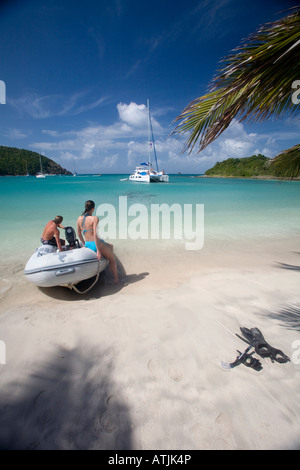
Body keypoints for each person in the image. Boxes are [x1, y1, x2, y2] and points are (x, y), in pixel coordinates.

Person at [77, 200, 119, 284]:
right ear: (93, 209)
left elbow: (79, 233)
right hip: (97, 244)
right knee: (112, 259)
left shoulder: (79, 218)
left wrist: (84, 244)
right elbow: (95, 235)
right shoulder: (94, 218)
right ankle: (116, 279)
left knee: (111, 246)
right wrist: (99, 251)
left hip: (88, 244)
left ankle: (109, 267)